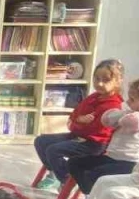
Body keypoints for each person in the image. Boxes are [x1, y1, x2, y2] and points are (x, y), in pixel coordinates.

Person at [65, 76, 139, 194]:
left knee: (94, 176)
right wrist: (119, 115)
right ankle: (90, 191)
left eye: (132, 99)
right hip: (111, 157)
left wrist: (124, 113)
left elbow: (131, 121)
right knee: (74, 163)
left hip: (129, 162)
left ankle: (93, 192)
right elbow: (106, 119)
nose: (127, 102)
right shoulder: (131, 112)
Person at [34, 59, 124, 188]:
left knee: (53, 150)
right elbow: (76, 113)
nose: (99, 83)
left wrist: (76, 123)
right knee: (41, 141)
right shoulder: (94, 96)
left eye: (106, 80)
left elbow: (92, 129)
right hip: (79, 135)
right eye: (96, 78)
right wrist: (77, 121)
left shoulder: (113, 105)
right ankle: (55, 173)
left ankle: (66, 180)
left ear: (118, 81)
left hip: (94, 144)